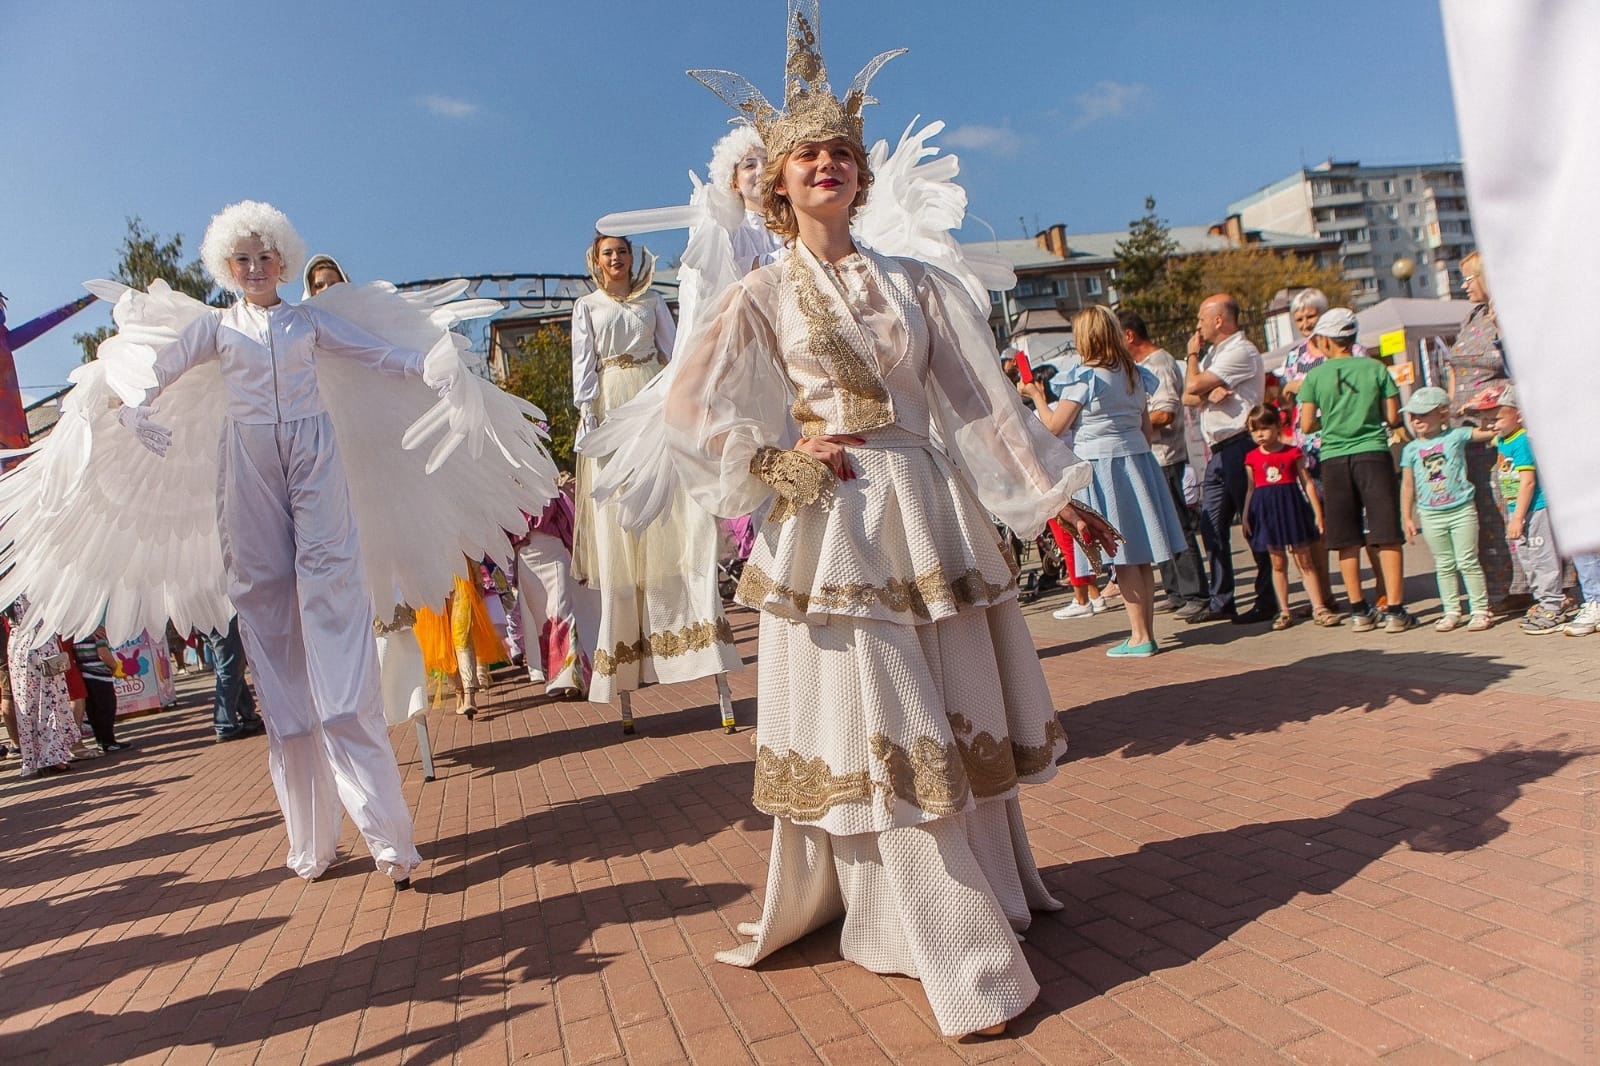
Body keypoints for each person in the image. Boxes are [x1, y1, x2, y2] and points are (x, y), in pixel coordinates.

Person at [652, 1, 1119, 1035]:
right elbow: (682, 414)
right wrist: (773, 459)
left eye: (840, 152)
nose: (826, 164)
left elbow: (979, 407)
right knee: (888, 727)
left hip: (931, 514)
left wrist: (1056, 502)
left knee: (953, 706)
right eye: (806, 155)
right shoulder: (759, 295)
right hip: (838, 525)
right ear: (775, 181)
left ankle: (986, 896)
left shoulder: (917, 284)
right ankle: (930, 937)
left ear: (859, 173)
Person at [570, 233, 741, 732]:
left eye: (622, 251)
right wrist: (587, 418)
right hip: (611, 406)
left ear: (632, 258)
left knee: (678, 512)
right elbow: (583, 367)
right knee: (622, 530)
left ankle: (703, 649)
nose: (616, 259)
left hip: (653, 399)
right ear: (597, 262)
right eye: (608, 253)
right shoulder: (587, 308)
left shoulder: (651, 303)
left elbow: (678, 352)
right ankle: (624, 668)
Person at [1023, 306, 1185, 656]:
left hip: (1103, 465)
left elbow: (1055, 427)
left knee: (1122, 553)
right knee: (1138, 555)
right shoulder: (1134, 374)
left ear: (1085, 337)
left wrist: (1036, 396)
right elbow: (1145, 429)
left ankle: (1141, 637)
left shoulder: (1085, 377)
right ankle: (1144, 631)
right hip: (1137, 461)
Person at [1296, 309, 1414, 633]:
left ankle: (1358, 610)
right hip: (1373, 452)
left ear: (1325, 340)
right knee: (1386, 533)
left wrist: (1331, 421)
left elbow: (1306, 424)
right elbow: (1392, 417)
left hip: (1334, 458)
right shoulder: (1375, 368)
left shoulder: (1315, 377)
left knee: (1346, 538)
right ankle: (1394, 609)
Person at [1183, 293, 1275, 623]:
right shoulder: (1213, 356)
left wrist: (1194, 363)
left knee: (1252, 524)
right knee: (1212, 525)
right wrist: (1208, 391)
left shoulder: (1240, 351)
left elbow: (1193, 384)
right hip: (1218, 450)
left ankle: (1268, 598)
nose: (1198, 326)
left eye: (1201, 319)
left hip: (1242, 444)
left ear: (1219, 319)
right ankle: (1222, 598)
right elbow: (1187, 395)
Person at [1444, 251, 1525, 610]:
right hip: (1466, 430)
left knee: (1511, 502)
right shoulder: (1472, 315)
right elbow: (1455, 367)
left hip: (1499, 427)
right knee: (1485, 509)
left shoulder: (1508, 313)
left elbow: (1518, 367)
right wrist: (1450, 406)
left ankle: (1535, 586)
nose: (1464, 286)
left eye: (1468, 278)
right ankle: (1501, 588)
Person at [1119, 309, 1205, 616]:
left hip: (1166, 456)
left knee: (1178, 525)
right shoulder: (1138, 366)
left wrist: (1128, 421)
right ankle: (1175, 590)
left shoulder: (1160, 363)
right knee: (1158, 526)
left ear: (1129, 335)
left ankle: (1196, 593)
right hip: (1149, 456)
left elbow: (1166, 412)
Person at [1468, 385, 1566, 634]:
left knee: (1542, 558)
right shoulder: (1504, 438)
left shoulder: (1521, 441)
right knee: (1527, 557)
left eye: (1497, 418)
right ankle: (1543, 600)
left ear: (1519, 415)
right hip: (1518, 510)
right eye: (1486, 419)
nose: (1491, 424)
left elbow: (1528, 481)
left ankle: (1553, 605)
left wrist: (1518, 517)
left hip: (1533, 509)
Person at [1398, 386, 1497, 632]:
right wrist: (1407, 517)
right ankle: (1451, 610)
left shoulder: (1455, 436)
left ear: (1442, 414)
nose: (1417, 420)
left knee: (1467, 561)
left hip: (1461, 509)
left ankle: (1480, 610)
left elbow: (1487, 432)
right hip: (1430, 514)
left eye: (1424, 414)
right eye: (1413, 416)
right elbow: (1407, 485)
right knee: (1443, 564)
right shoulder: (1410, 449)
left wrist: (1474, 409)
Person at [1240, 405, 1341, 630]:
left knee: (1305, 560)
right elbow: (1250, 489)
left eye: (1265, 428)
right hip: (1267, 513)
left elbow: (1307, 483)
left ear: (1278, 427)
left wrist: (1317, 513)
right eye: (1254, 430)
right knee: (1277, 562)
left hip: (1291, 508)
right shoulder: (1251, 458)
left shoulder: (1292, 452)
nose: (1260, 434)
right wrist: (1246, 516)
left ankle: (1319, 607)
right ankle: (1284, 610)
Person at [4, 598, 75, 777]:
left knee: (27, 704)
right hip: (39, 640)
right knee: (50, 699)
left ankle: (33, 758)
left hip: (18, 645)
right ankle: (52, 756)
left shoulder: (7, 586)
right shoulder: (31, 584)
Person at [71, 626, 135, 752]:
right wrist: (113, 666)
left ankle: (101, 740)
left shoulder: (76, 632)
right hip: (100, 675)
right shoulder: (97, 632)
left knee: (94, 711)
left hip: (85, 673)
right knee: (106, 709)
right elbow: (103, 654)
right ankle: (108, 741)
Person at [207, 616, 265, 741]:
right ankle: (224, 724)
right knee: (229, 670)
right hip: (218, 615)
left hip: (201, 613)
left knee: (231, 668)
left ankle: (249, 715)